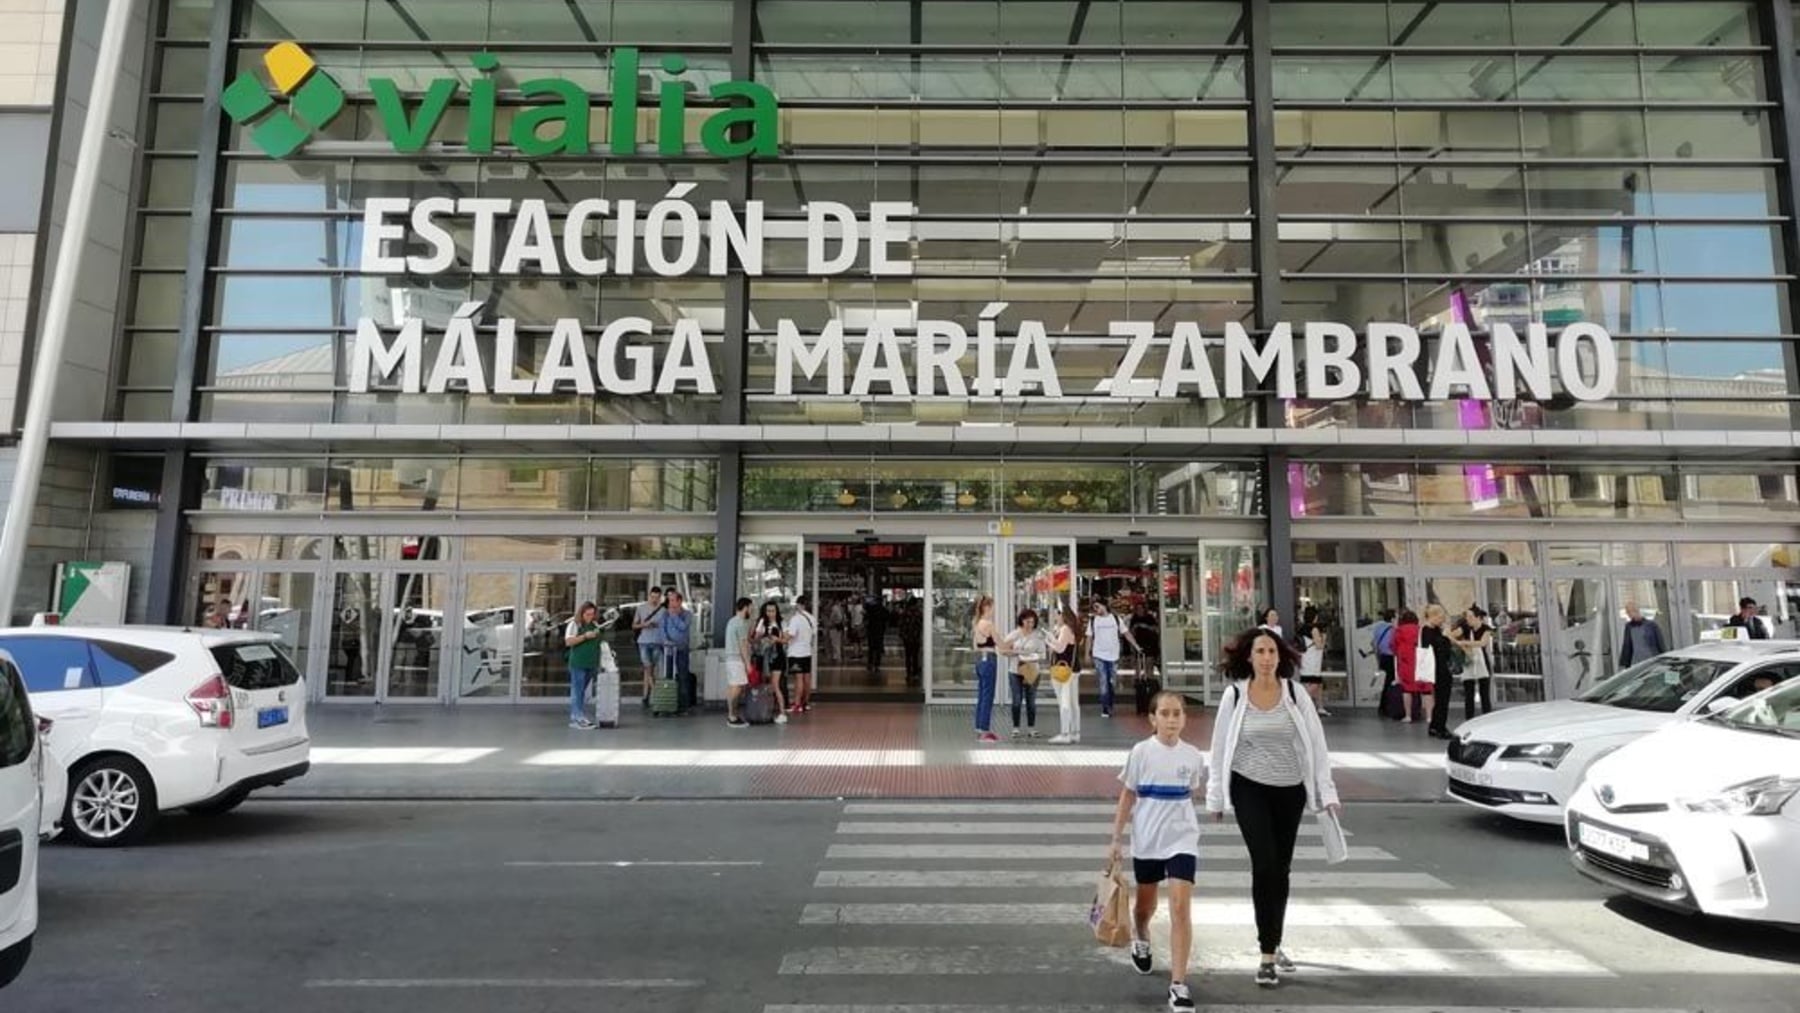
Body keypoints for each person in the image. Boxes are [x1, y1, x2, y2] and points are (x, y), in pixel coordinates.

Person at [1206, 626, 1340, 989]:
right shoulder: (1235, 695)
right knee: (1264, 864)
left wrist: (1326, 791)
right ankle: (1266, 954)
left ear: (1280, 657)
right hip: (1249, 787)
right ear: (1248, 657)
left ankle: (1275, 938)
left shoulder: (1295, 694)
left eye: (1272, 652)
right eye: (1260, 652)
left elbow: (1317, 744)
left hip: (1290, 789)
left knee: (1281, 869)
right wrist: (1215, 795)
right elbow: (1219, 748)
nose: (1266, 658)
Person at [1109, 690, 1206, 1012]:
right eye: (1164, 713)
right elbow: (1127, 795)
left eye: (1177, 713)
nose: (1171, 719)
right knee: (1145, 905)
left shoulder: (1193, 756)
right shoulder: (1141, 752)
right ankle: (1141, 934)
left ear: (1185, 718)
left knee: (1180, 906)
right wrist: (1116, 839)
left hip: (1182, 839)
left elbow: (1190, 793)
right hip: (1148, 839)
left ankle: (1178, 984)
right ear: (1152, 719)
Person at [1002, 609, 1050, 739]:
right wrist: (1016, 652)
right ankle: (1016, 728)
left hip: (1032, 670)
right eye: (1027, 621)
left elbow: (1043, 654)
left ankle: (1031, 728)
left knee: (1031, 700)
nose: (1030, 624)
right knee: (1016, 700)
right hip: (1015, 670)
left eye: (1032, 622)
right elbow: (1003, 650)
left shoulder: (1038, 636)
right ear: (1022, 621)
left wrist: (1032, 656)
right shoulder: (1014, 634)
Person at [563, 601, 604, 730]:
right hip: (578, 663)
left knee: (581, 691)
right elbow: (569, 641)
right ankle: (577, 718)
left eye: (592, 614)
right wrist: (585, 636)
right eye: (587, 614)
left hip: (591, 663)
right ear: (582, 613)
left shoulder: (595, 625)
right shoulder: (574, 624)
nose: (589, 617)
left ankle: (578, 716)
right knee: (577, 690)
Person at [753, 600, 791, 723]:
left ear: (776, 611)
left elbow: (786, 640)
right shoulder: (762, 623)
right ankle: (766, 710)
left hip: (777, 656)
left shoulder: (782, 623)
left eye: (773, 611)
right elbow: (755, 639)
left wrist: (777, 639)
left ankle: (782, 712)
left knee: (775, 684)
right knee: (764, 684)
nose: (770, 613)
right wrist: (760, 634)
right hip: (764, 657)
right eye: (768, 611)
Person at [1088, 598, 1128, 718]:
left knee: (1112, 682)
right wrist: (1087, 654)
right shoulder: (1093, 620)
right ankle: (1105, 707)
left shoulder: (1116, 619)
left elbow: (1126, 633)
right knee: (1103, 681)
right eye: (1094, 608)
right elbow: (1089, 637)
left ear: (1104, 606)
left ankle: (1110, 703)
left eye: (1097, 606)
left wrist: (1136, 646)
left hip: (1113, 656)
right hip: (1098, 655)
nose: (1096, 609)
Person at [1422, 604, 1457, 739]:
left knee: (1441, 699)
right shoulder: (1427, 631)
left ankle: (1435, 726)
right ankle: (1440, 728)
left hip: (1439, 667)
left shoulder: (1433, 631)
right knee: (1442, 699)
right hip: (1438, 669)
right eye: (1441, 618)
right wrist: (1446, 637)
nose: (1442, 621)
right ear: (1433, 616)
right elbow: (1441, 648)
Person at [1048, 606, 1082, 745]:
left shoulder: (1065, 629)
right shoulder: (1073, 629)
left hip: (1063, 670)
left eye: (1057, 614)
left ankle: (1065, 734)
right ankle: (1075, 732)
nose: (1056, 617)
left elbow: (1060, 648)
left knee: (1064, 703)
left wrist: (1049, 640)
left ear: (1063, 615)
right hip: (1073, 669)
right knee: (1073, 703)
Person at [1455, 606, 1495, 720]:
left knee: (1484, 693)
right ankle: (1469, 719)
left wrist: (1464, 643)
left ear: (1478, 617)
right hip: (1469, 660)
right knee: (1469, 693)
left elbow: (1482, 643)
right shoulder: (1464, 627)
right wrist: (1459, 643)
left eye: (1470, 616)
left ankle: (1487, 718)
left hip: (1482, 661)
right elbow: (1451, 636)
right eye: (1466, 617)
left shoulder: (1486, 629)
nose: (1468, 619)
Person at [660, 591, 695, 715]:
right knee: (668, 674)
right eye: (669, 601)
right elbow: (662, 628)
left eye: (673, 600)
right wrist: (665, 640)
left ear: (679, 601)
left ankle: (683, 706)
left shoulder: (687, 614)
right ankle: (668, 704)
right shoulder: (665, 614)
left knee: (682, 676)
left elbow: (683, 627)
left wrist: (674, 615)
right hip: (668, 649)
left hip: (681, 648)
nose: (671, 603)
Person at [972, 596, 1001, 742]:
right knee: (988, 696)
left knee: (982, 695)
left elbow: (975, 646)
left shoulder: (977, 624)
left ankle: (979, 727)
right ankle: (984, 730)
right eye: (993, 607)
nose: (994, 610)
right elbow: (1000, 643)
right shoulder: (989, 625)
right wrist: (1015, 649)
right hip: (989, 660)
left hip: (980, 660)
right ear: (987, 607)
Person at [723, 597, 755, 728]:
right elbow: (743, 645)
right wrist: (748, 663)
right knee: (738, 687)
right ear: (746, 607)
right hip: (737, 659)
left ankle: (732, 715)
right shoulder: (741, 623)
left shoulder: (732, 621)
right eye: (751, 608)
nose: (752, 610)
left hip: (730, 658)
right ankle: (732, 716)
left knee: (732, 687)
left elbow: (746, 638)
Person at [1393, 609, 1429, 723]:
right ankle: (1428, 716)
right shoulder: (1420, 629)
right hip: (1421, 661)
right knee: (1425, 690)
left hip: (1405, 662)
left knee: (1406, 690)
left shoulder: (1398, 631)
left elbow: (1393, 646)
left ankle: (1408, 716)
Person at [632, 586, 666, 707]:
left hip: (657, 642)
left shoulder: (663, 610)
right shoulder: (641, 608)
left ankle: (649, 695)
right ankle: (653, 694)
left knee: (655, 669)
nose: (654, 600)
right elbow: (634, 625)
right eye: (652, 597)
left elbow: (666, 626)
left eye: (657, 597)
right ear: (649, 596)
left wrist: (657, 625)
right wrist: (644, 625)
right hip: (644, 642)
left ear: (660, 598)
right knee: (648, 667)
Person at [785, 593, 817, 713]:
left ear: (799, 605)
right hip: (807, 652)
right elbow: (813, 635)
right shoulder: (812, 619)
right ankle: (805, 703)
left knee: (798, 679)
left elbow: (790, 635)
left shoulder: (796, 619)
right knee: (806, 678)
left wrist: (781, 637)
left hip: (796, 653)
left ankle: (797, 703)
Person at [1296, 612, 1329, 717]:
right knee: (1315, 683)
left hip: (1306, 659)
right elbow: (1319, 646)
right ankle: (1299, 705)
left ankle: (1319, 707)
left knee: (1313, 684)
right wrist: (1324, 638)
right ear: (1315, 617)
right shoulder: (1314, 629)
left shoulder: (1302, 628)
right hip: (1313, 661)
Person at [1617, 602, 1666, 670]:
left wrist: (1664, 660)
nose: (1628, 615)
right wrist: (1624, 664)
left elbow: (1660, 644)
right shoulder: (1629, 627)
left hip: (1651, 661)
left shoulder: (1652, 626)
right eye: (1627, 612)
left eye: (1629, 612)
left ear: (1635, 611)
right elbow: (1627, 646)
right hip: (1636, 663)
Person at [1130, 601, 1161, 682]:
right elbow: (1131, 632)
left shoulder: (1149, 618)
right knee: (1138, 663)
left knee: (1149, 663)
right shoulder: (1134, 618)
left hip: (1150, 643)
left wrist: (1145, 626)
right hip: (1138, 643)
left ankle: (1149, 679)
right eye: (1138, 609)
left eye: (1141, 608)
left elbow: (1156, 629)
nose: (1139, 610)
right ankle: (1138, 680)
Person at [899, 597, 924, 687]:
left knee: (908, 656)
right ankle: (915, 673)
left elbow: (901, 625)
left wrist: (902, 635)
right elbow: (921, 624)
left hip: (907, 638)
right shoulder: (919, 613)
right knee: (915, 656)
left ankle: (909, 672)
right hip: (916, 637)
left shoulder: (905, 612)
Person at [825, 597, 848, 663]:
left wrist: (832, 622)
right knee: (837, 642)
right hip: (839, 627)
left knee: (835, 643)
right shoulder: (841, 608)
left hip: (834, 627)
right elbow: (843, 618)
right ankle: (837, 656)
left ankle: (837, 657)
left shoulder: (835, 608)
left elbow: (835, 618)